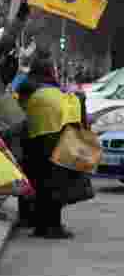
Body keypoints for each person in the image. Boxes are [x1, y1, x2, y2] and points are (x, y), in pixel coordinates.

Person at [17, 50, 92, 239]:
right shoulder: (50, 92)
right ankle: (53, 226)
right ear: (50, 71)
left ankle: (40, 225)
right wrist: (78, 99)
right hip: (53, 139)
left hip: (33, 140)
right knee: (55, 186)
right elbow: (69, 112)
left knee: (40, 185)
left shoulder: (27, 87)